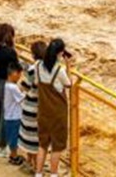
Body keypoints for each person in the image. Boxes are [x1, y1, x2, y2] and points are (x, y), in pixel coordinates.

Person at [35, 39, 72, 177]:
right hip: (58, 113)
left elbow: (36, 82)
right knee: (57, 146)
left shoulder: (38, 65)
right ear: (60, 53)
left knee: (42, 144)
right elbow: (69, 84)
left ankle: (38, 173)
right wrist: (68, 66)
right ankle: (53, 174)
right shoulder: (59, 70)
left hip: (43, 111)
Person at [0, 23, 18, 158]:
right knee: (4, 116)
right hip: (5, 84)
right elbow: (15, 67)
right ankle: (2, 146)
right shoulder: (10, 52)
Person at [19, 41, 47, 167]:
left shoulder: (32, 70)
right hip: (43, 108)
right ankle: (38, 166)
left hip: (29, 107)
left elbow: (24, 87)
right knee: (39, 139)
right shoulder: (50, 69)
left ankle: (30, 162)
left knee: (29, 137)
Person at [4, 62, 26, 166]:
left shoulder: (7, 85)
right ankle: (14, 156)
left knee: (11, 136)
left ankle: (13, 155)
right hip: (15, 116)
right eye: (19, 74)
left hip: (8, 115)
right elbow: (21, 98)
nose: (19, 77)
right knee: (14, 138)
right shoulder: (12, 87)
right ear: (14, 73)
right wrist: (27, 92)